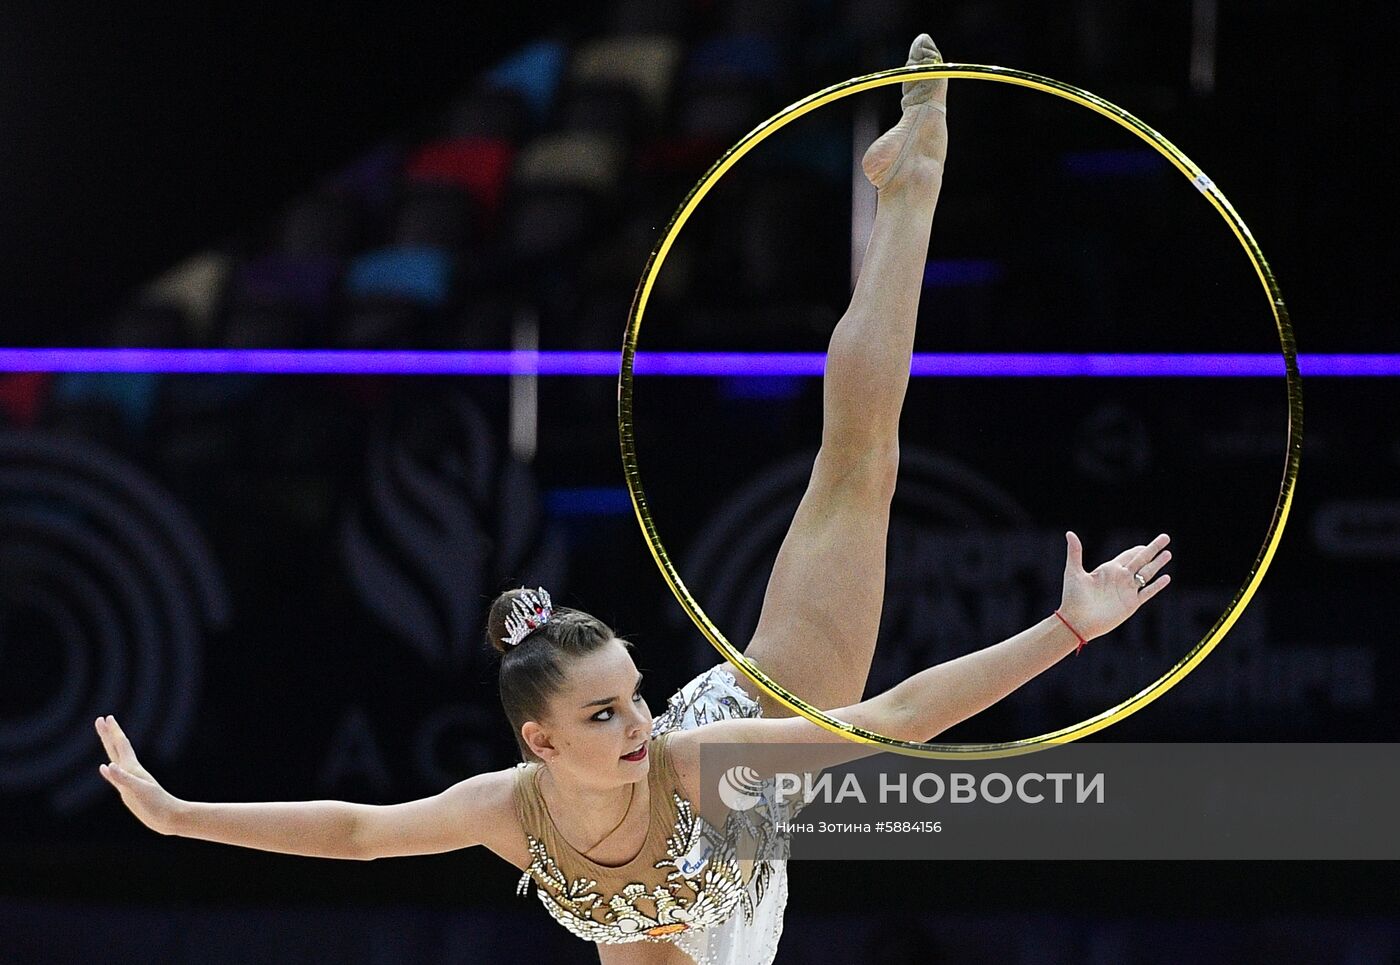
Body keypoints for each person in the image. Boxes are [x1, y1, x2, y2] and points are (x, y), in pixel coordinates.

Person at [94, 32, 1173, 965]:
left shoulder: (700, 757)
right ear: (539, 742)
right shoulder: (503, 810)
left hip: (752, 770)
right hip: (695, 913)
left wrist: (1067, 629)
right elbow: (359, 832)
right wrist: (181, 815)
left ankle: (913, 183)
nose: (635, 721)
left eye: (632, 694)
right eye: (605, 712)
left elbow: (891, 721)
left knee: (858, 463)